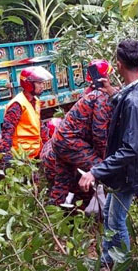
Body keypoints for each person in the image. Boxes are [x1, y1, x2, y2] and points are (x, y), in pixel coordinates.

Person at [78, 40, 138, 266]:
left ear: (119, 65)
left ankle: (124, 265)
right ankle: (106, 261)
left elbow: (130, 148)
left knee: (116, 222)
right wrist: (113, 92)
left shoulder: (133, 101)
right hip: (131, 170)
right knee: (111, 217)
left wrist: (95, 172)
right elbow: (130, 102)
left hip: (128, 173)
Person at [48, 60, 113, 206]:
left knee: (63, 184)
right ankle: (115, 216)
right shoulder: (100, 96)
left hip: (62, 142)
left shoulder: (88, 93)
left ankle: (55, 218)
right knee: (105, 171)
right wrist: (106, 159)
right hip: (70, 143)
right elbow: (99, 134)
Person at [0, 66, 54, 165]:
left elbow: (38, 126)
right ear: (28, 84)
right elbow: (7, 133)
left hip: (32, 156)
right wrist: (7, 157)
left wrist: (49, 144)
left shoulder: (35, 102)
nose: (42, 86)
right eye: (39, 83)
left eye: (42, 83)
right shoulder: (17, 104)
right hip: (20, 158)